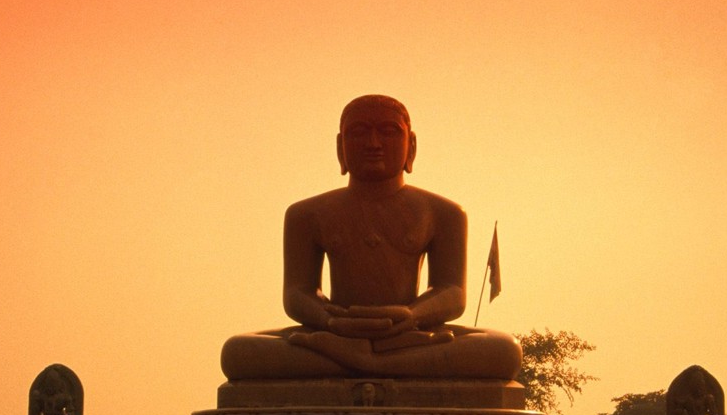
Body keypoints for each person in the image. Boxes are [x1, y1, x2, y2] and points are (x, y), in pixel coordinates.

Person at [219, 95, 521, 380]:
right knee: (238, 352)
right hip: (336, 333)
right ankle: (381, 363)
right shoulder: (306, 214)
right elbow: (297, 293)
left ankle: (363, 362)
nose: (373, 144)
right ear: (340, 148)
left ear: (411, 146)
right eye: (359, 133)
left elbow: (452, 291)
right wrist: (330, 321)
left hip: (409, 336)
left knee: (504, 351)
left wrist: (412, 315)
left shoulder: (443, 212)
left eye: (389, 132)